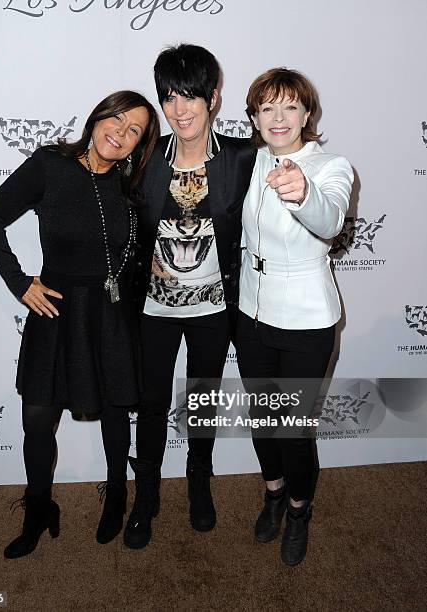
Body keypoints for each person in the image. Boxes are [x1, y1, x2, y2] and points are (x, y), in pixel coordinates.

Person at [0, 91, 160, 558]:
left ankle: (117, 494)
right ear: (98, 117)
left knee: (116, 411)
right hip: (55, 310)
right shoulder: (50, 164)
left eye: (134, 130)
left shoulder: (130, 185)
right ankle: (38, 508)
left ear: (139, 145)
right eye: (116, 118)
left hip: (110, 312)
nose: (119, 132)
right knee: (37, 419)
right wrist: (20, 284)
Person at [123, 44, 256, 549]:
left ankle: (199, 484)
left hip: (214, 310)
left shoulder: (241, 158)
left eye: (191, 97)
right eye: (170, 97)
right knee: (152, 403)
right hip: (154, 309)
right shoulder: (145, 158)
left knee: (202, 402)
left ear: (214, 97)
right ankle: (147, 497)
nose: (179, 110)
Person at [236, 68, 353, 566]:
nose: (278, 118)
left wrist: (303, 191)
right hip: (250, 312)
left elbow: (329, 219)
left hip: (307, 317)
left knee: (294, 428)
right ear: (255, 117)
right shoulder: (245, 161)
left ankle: (300, 512)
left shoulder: (332, 166)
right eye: (267, 108)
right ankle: (274, 493)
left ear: (307, 114)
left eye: (289, 107)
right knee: (263, 418)